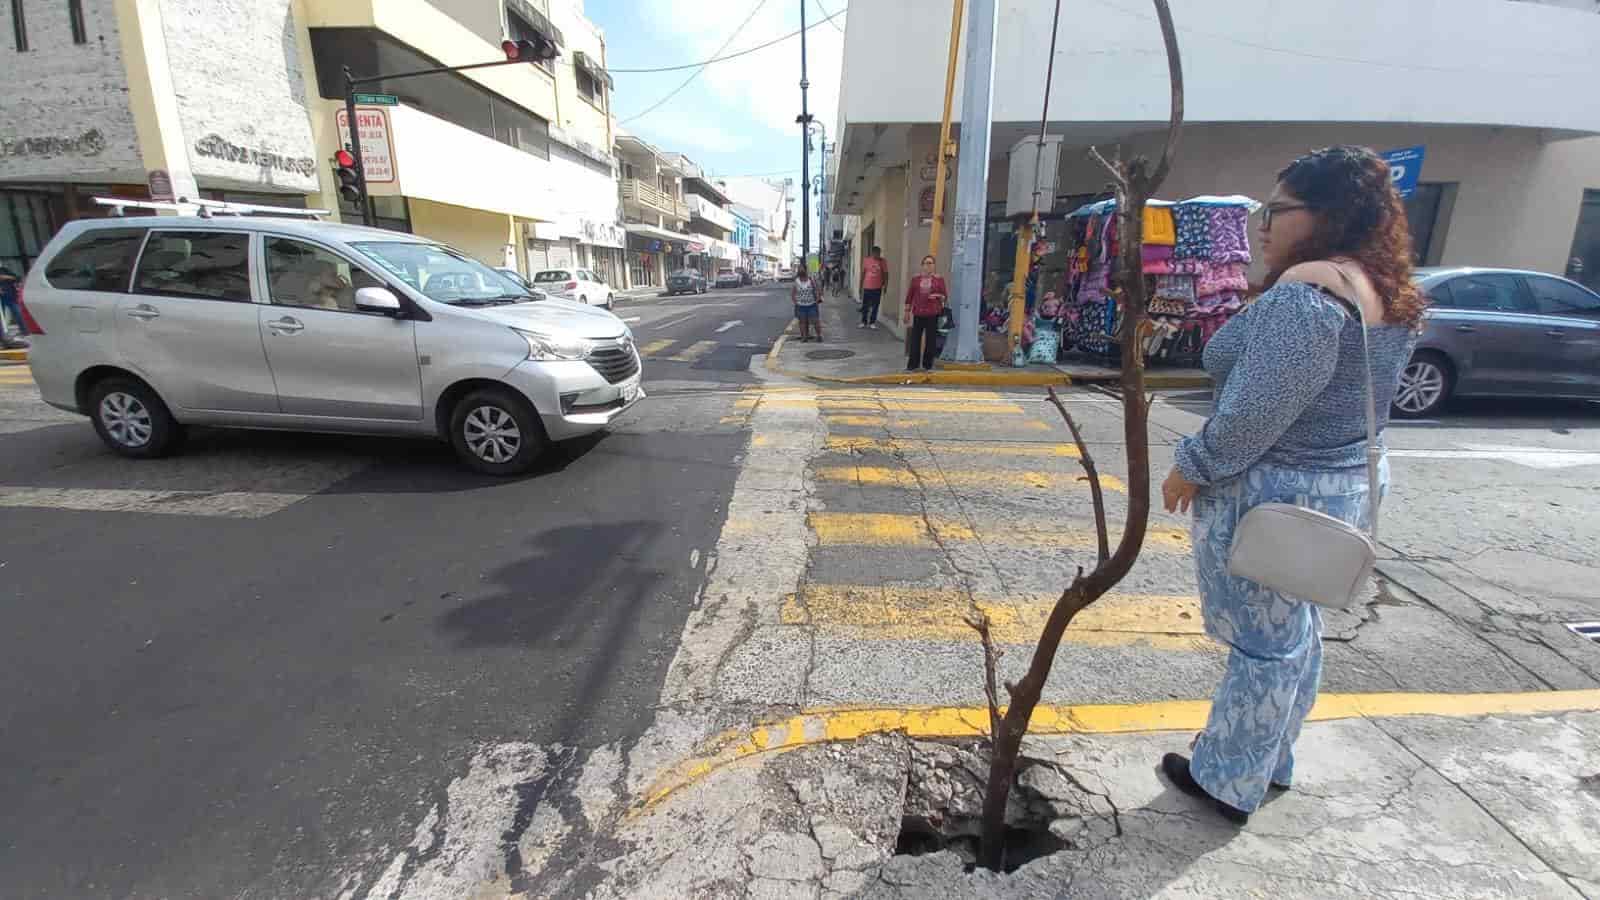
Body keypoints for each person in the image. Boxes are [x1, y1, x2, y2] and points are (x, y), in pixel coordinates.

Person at [1158, 146, 1426, 825]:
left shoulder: (1307, 298)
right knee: (1292, 633)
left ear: (1329, 215)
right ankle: (1269, 757)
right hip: (1340, 487)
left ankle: (1227, 778)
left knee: (1261, 644)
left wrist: (1195, 462)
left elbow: (1256, 409)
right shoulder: (1377, 287)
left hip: (1277, 497)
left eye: (1278, 211)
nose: (1263, 224)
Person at [903, 254, 947, 371]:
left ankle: (927, 365)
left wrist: (936, 295)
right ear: (922, 265)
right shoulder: (916, 279)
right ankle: (913, 365)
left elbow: (944, 296)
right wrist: (907, 312)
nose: (929, 266)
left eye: (931, 263)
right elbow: (909, 296)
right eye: (926, 263)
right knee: (915, 340)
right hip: (918, 313)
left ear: (934, 266)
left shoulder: (939, 279)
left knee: (930, 340)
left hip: (933, 313)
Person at [791, 266, 822, 342]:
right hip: (800, 306)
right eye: (799, 269)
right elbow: (793, 293)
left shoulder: (811, 279)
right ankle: (804, 337)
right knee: (802, 322)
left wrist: (818, 298)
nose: (800, 270)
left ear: (805, 270)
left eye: (802, 269)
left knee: (815, 321)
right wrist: (795, 302)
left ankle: (819, 336)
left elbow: (817, 289)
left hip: (812, 305)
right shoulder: (796, 281)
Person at [860, 245, 888, 329]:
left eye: (879, 253)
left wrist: (886, 285)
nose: (878, 255)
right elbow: (863, 274)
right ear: (873, 253)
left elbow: (886, 274)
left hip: (877, 287)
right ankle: (863, 322)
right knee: (865, 306)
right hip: (867, 287)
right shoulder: (866, 260)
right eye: (876, 253)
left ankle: (872, 322)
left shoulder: (883, 261)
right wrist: (860, 286)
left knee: (876, 305)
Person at [0, 266, 26, 348]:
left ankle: (25, 331)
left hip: (10, 296)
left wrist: (6, 277)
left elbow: (17, 278)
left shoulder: (3, 270)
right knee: (1, 318)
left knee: (18, 313)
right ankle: (3, 336)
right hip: (1, 299)